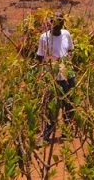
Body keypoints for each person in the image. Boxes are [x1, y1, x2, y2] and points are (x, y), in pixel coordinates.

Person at [36, 12, 75, 142]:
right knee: (52, 106)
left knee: (68, 105)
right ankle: (47, 133)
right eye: (55, 23)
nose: (58, 25)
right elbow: (40, 57)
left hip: (67, 75)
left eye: (60, 22)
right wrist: (44, 71)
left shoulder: (66, 34)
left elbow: (70, 50)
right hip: (52, 76)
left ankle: (67, 132)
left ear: (63, 23)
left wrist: (66, 61)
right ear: (51, 24)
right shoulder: (44, 38)